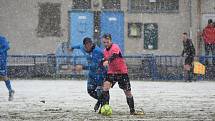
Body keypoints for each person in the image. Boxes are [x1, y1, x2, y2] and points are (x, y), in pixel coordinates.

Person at [101, 33, 143, 115]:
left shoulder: (115, 47)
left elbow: (115, 55)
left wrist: (108, 61)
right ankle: (105, 106)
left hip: (122, 72)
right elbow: (104, 60)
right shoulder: (105, 51)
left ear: (110, 40)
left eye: (107, 42)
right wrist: (103, 62)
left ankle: (132, 110)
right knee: (105, 87)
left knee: (127, 92)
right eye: (104, 42)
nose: (106, 44)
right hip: (111, 72)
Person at [68, 37, 108, 112]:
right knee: (90, 91)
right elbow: (79, 46)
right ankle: (100, 101)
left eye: (90, 44)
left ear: (92, 44)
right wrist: (72, 48)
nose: (89, 47)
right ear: (85, 46)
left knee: (101, 91)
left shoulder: (97, 52)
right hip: (92, 74)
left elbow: (95, 66)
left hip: (100, 73)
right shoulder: (83, 47)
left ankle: (103, 107)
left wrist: (82, 67)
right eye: (87, 45)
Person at [0, 35, 15, 101]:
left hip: (1, 60)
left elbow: (7, 46)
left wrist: (0, 51)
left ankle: (10, 90)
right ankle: (11, 91)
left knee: (3, 76)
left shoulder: (2, 38)